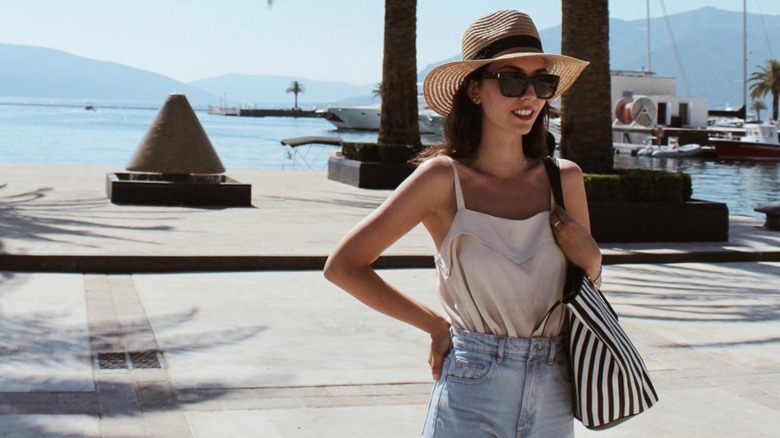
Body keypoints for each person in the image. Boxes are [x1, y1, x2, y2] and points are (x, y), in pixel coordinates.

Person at [324, 9, 602, 437]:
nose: (529, 96)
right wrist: (435, 326)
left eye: (542, 83)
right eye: (512, 81)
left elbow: (584, 293)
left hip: (554, 389)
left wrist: (593, 261)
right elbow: (343, 266)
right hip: (473, 388)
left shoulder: (565, 180)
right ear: (474, 90)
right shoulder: (441, 180)